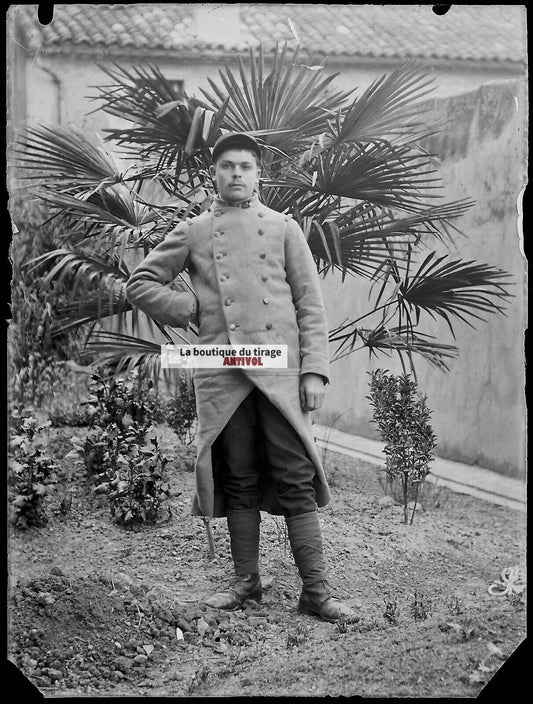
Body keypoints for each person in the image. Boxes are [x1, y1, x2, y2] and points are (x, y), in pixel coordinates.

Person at [126, 132, 356, 623]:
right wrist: (187, 307)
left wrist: (314, 370)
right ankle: (246, 582)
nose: (236, 174)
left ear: (258, 174)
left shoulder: (284, 228)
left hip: (279, 373)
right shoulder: (193, 230)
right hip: (224, 374)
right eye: (227, 165)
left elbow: (310, 305)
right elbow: (140, 283)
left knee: (296, 476)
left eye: (245, 167)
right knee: (240, 476)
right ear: (214, 171)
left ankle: (316, 591)